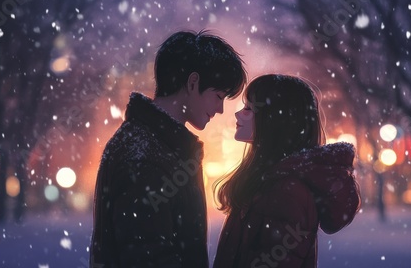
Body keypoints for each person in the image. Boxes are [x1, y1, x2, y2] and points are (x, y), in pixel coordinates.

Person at [90, 30, 247, 268]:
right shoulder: (145, 157)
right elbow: (148, 258)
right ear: (193, 83)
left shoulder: (155, 146)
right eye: (218, 96)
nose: (220, 110)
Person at [213, 74, 361, 268]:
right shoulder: (271, 181)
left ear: (274, 120)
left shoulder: (286, 192)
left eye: (249, 108)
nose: (238, 114)